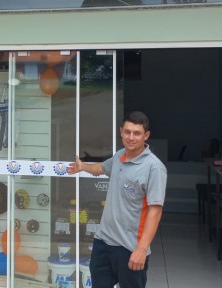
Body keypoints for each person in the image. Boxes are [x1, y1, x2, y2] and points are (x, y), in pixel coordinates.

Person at [67, 111, 167, 288]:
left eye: (137, 133)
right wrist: (82, 166)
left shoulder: (154, 167)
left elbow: (155, 211)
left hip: (130, 248)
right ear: (121, 131)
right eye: (127, 132)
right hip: (103, 243)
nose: (131, 137)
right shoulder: (119, 156)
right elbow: (102, 168)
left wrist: (142, 249)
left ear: (146, 135)